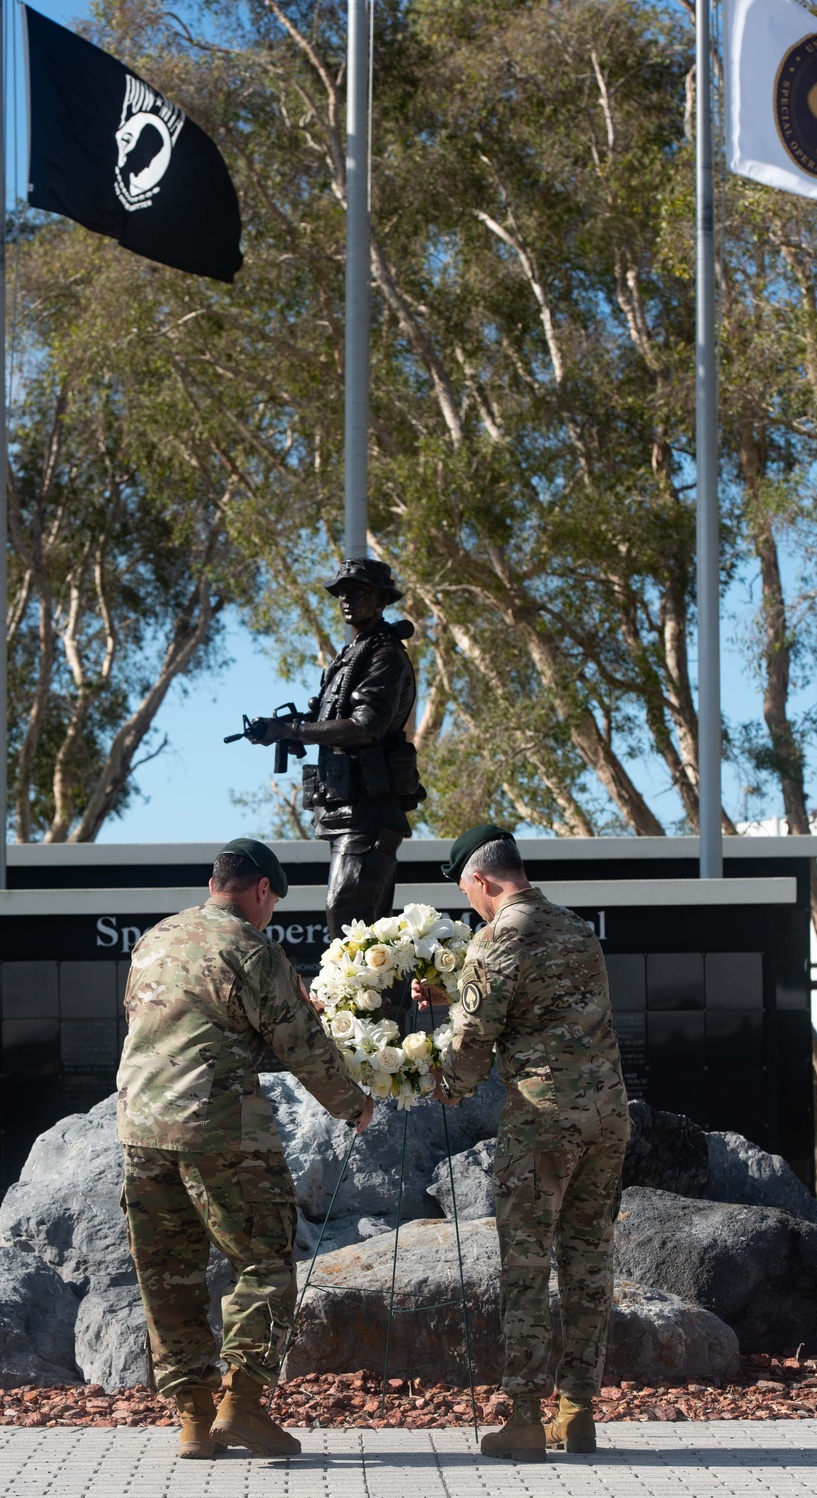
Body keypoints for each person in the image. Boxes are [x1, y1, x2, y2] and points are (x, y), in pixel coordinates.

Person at [116, 836, 375, 1460]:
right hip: (220, 1132)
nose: (271, 914)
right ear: (262, 890)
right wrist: (355, 1105)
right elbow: (302, 1045)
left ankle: (194, 1422)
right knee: (263, 1262)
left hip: (140, 1132)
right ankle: (245, 1406)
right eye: (273, 903)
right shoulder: (249, 949)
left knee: (168, 1277)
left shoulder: (155, 940)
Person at [415, 825, 629, 1462]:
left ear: (481, 880)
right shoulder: (576, 929)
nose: (470, 905)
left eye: (466, 892)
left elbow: (472, 1049)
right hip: (608, 1118)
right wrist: (457, 993)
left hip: (543, 1124)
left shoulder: (495, 939)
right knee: (590, 1262)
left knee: (528, 1268)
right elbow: (550, 1001)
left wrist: (443, 1082)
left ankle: (525, 1419)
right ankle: (579, 1411)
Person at [249, 557, 423, 939]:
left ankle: (364, 999)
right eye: (342, 593)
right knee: (361, 923)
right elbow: (327, 717)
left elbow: (366, 726)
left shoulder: (384, 655)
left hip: (369, 809)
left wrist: (293, 730)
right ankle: (372, 999)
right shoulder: (349, 656)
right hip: (345, 808)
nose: (346, 600)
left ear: (381, 599)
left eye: (357, 592)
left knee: (348, 912)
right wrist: (285, 732)